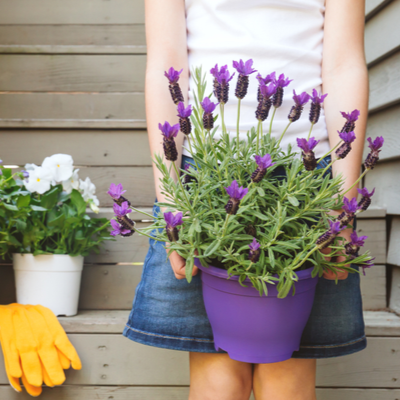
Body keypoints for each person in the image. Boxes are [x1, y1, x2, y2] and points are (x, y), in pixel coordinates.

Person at [122, 0, 368, 399]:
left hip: (307, 183)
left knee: (286, 380)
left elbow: (344, 66)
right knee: (218, 379)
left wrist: (343, 208)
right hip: (205, 176)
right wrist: (169, 198)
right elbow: (166, 65)